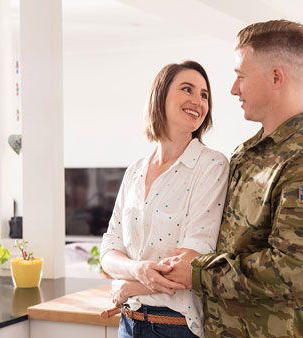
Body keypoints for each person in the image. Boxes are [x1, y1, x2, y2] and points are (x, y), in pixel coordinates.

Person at [161, 20, 303, 337]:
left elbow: (292, 272)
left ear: (276, 77)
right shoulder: (248, 152)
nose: (233, 89)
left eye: (241, 76)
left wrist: (196, 273)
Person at [99, 60, 230, 338]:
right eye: (187, 89)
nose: (198, 101)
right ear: (160, 96)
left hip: (174, 327)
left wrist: (128, 286)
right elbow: (109, 249)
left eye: (204, 95)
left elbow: (192, 260)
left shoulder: (211, 165)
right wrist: (136, 269)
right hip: (128, 322)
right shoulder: (135, 170)